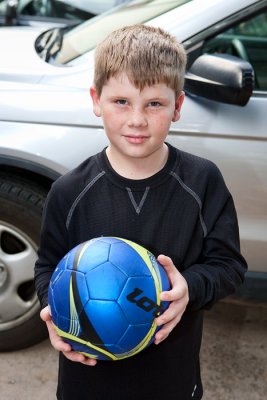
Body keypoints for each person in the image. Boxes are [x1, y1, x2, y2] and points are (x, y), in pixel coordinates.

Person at [34, 24, 247, 400]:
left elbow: (228, 266)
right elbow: (47, 268)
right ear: (95, 99)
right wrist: (55, 314)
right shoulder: (69, 192)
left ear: (177, 106)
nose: (137, 119)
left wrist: (189, 288)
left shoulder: (201, 182)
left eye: (154, 103)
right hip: (88, 381)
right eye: (121, 102)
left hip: (170, 381)